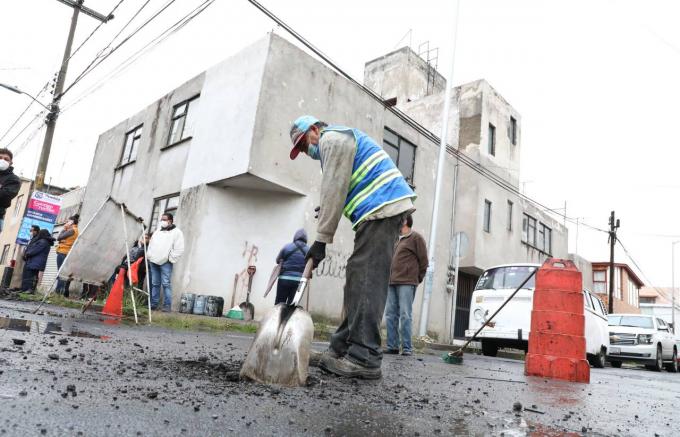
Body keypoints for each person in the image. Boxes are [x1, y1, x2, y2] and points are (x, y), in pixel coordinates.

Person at [288, 115, 416, 379]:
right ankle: (340, 349)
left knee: (366, 278)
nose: (304, 151)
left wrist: (321, 241)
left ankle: (365, 357)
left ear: (314, 129)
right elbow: (340, 185)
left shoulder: (331, 139)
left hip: (382, 208)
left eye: (303, 144)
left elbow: (334, 187)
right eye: (300, 149)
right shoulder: (337, 141)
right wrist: (327, 206)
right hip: (375, 212)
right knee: (357, 278)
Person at [384, 214, 428, 356]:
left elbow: (424, 262)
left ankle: (407, 348)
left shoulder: (416, 238)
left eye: (399, 219)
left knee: (405, 315)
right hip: (391, 281)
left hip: (407, 282)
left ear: (405, 221)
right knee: (390, 314)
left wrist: (416, 278)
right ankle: (392, 346)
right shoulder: (396, 239)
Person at [147, 213, 184, 311]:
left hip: (165, 262)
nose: (162, 221)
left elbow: (179, 248)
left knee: (166, 284)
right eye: (161, 219)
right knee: (155, 284)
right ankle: (153, 304)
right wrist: (149, 256)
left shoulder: (177, 232)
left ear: (170, 221)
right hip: (153, 261)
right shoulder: (157, 232)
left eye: (164, 219)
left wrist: (170, 258)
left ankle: (167, 306)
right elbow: (151, 244)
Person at [274, 229, 310, 304]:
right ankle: (289, 315)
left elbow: (277, 261)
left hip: (284, 279)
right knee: (292, 306)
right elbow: (311, 265)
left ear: (295, 237)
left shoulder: (286, 247)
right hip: (299, 281)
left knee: (279, 304)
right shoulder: (308, 250)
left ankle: (279, 315)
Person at [22, 228, 55, 292]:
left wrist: (27, 254)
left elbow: (35, 250)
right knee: (34, 276)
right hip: (37, 262)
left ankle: (29, 289)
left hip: (35, 262)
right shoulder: (46, 241)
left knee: (30, 276)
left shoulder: (43, 241)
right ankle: (29, 289)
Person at [55, 214, 80, 297]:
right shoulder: (75, 230)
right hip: (66, 252)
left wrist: (64, 228)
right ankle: (61, 292)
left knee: (61, 274)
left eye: (68, 221)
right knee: (64, 273)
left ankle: (59, 292)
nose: (66, 223)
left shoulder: (71, 230)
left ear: (71, 222)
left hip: (63, 252)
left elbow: (59, 237)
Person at [0, 148, 21, 233]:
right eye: (0, 157)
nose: (2, 160)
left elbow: (5, 195)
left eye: (6, 159)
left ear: (10, 163)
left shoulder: (14, 179)